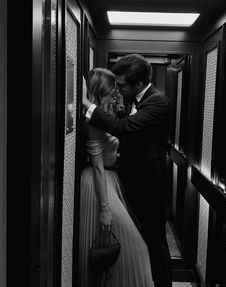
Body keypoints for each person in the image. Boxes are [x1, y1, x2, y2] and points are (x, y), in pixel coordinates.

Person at [82, 54, 172, 287]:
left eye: (121, 85)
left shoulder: (157, 101)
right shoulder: (130, 99)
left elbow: (126, 128)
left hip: (148, 188)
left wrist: (88, 105)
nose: (118, 90)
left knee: (154, 243)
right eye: (114, 86)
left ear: (139, 84)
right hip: (124, 185)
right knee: (135, 242)